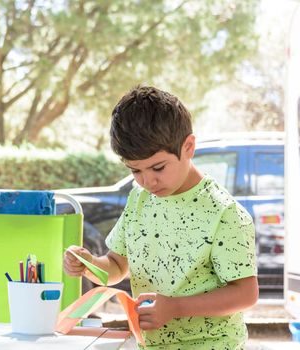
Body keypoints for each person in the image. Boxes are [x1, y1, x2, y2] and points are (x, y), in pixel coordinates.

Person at [63, 86, 258, 349]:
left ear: (188, 147)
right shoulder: (138, 199)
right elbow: (116, 266)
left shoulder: (224, 213)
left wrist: (175, 307)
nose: (147, 181)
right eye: (135, 171)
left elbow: (246, 293)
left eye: (158, 167)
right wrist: (90, 265)